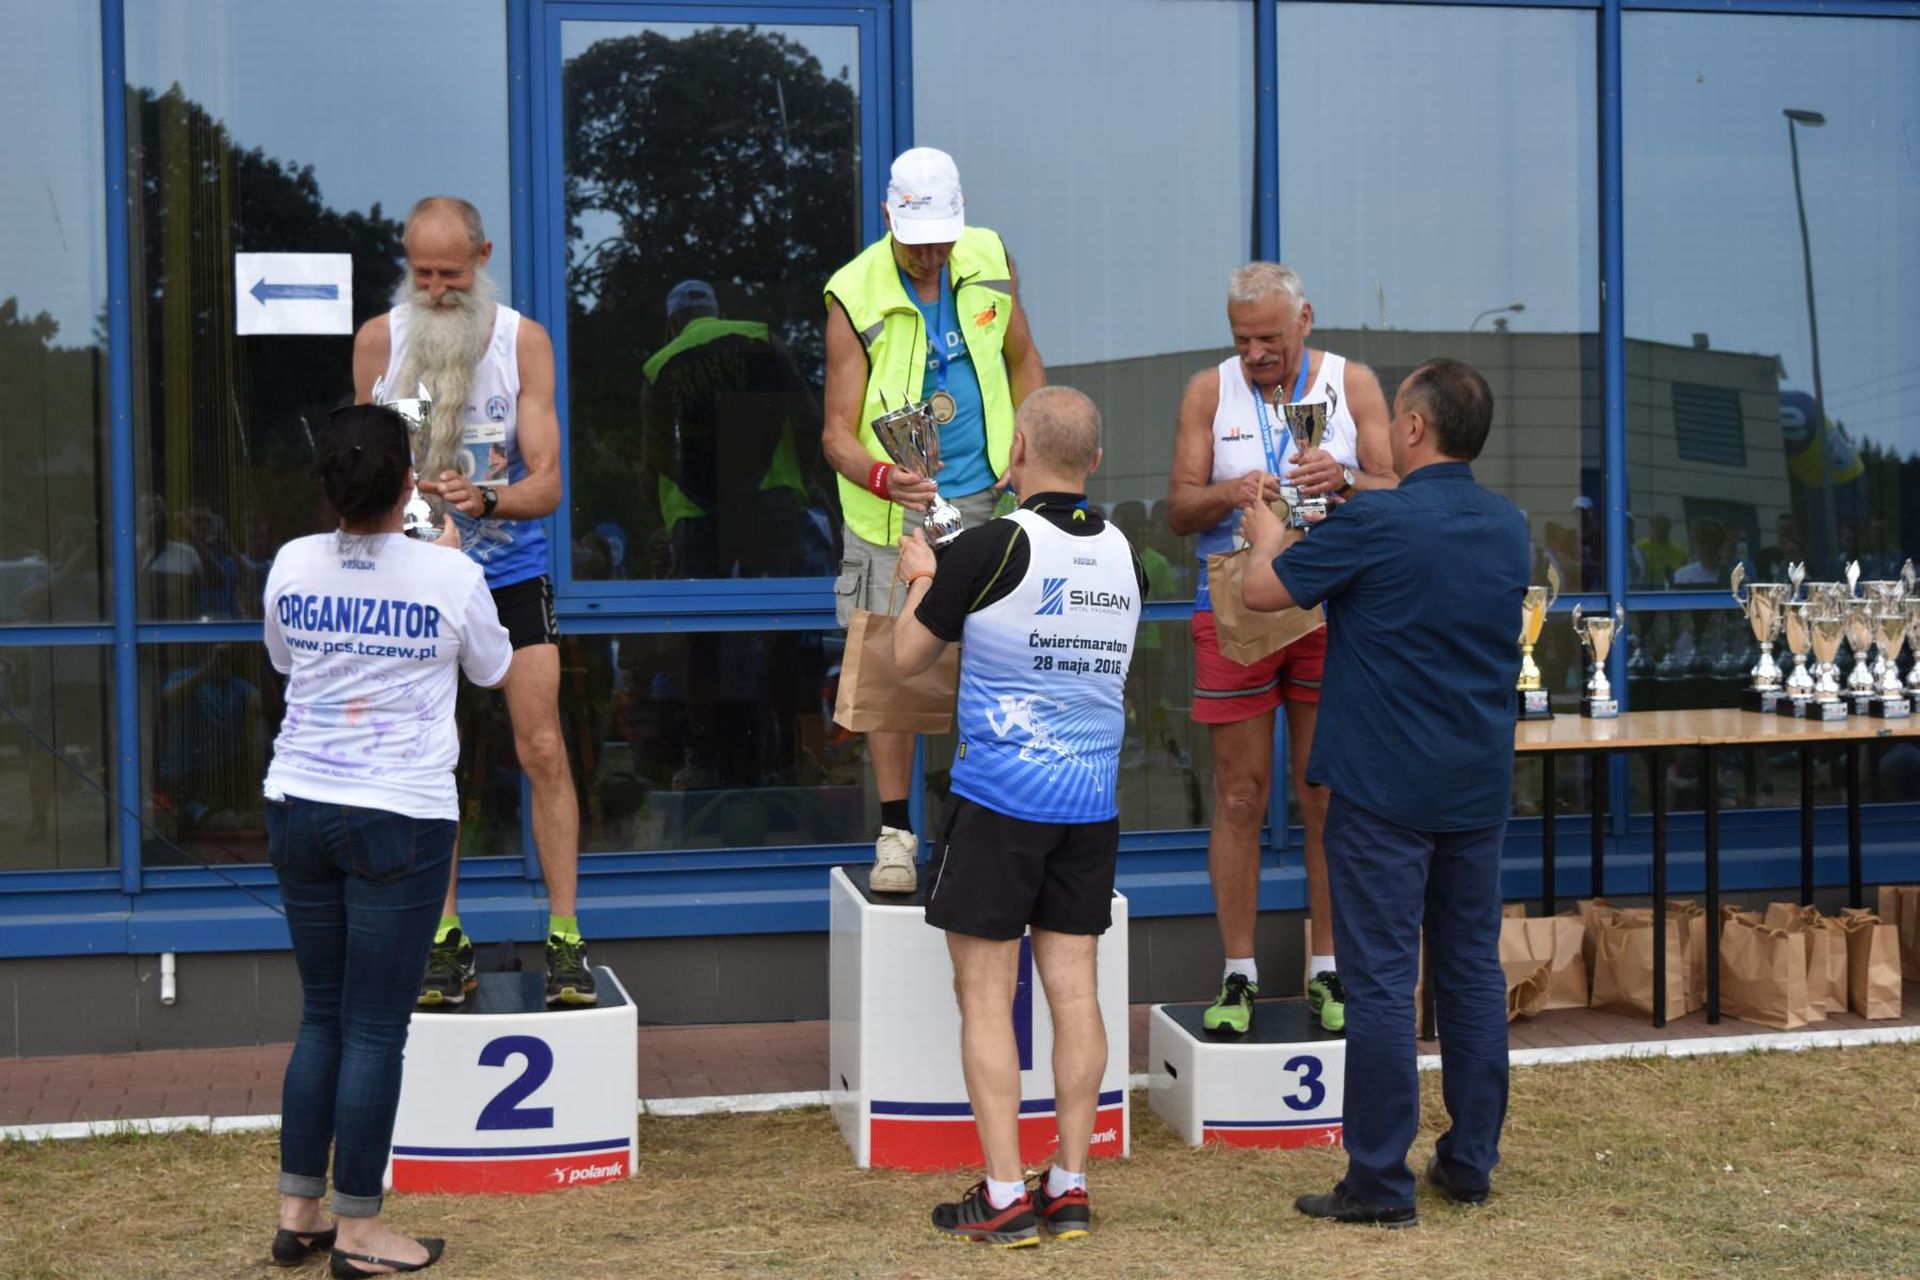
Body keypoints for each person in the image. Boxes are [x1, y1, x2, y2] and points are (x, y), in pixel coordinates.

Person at [1239, 358, 1529, 1227]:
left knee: (1380, 985)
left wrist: (1267, 530)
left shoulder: (1382, 521)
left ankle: (1378, 1182)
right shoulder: (1508, 524)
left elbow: (1262, 591)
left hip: (1382, 792)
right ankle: (1469, 1163)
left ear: (1413, 428)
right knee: (1471, 973)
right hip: (1474, 787)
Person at [261, 404, 511, 1275]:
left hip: (298, 802)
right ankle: (361, 1232)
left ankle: (300, 1213)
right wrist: (449, 558)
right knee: (373, 1030)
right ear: (409, 483)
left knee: (322, 1016)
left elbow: (285, 660)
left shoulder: (292, 562)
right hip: (397, 816)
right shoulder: (450, 573)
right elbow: (494, 669)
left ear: (327, 485)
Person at [891, 386, 1143, 1246]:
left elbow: (907, 656)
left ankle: (1004, 1194)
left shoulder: (990, 545)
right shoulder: (1126, 552)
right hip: (1091, 802)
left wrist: (921, 578)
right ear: (1095, 462)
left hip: (1000, 800)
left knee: (986, 997)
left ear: (1017, 452)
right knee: (1075, 992)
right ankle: (1069, 1186)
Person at [353, 196, 596, 1007]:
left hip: (511, 571)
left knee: (542, 747)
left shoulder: (522, 341)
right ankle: (444, 937)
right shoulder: (379, 340)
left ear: (483, 258)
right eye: (421, 273)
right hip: (417, 578)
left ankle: (565, 936)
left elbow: (548, 484)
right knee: (431, 758)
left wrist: (487, 499)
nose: (435, 290)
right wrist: (414, 513)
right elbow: (364, 473)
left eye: (451, 275)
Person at [1164, 262, 1393, 1036]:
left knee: (1324, 794)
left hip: (1332, 607)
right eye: (1242, 339)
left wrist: (1345, 479)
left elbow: (1401, 487)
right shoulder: (1209, 390)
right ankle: (1238, 974)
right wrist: (1230, 493)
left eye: (1268, 338)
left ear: (1305, 319)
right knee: (1239, 796)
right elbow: (1177, 507)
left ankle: (1328, 968)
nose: (1255, 353)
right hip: (1235, 606)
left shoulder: (1351, 383)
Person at [822, 147, 1045, 893]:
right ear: (888, 218)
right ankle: (896, 835)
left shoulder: (988, 257)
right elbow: (836, 434)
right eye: (917, 243)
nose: (931, 256)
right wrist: (888, 480)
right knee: (892, 669)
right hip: (892, 514)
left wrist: (1028, 444)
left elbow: (1024, 359)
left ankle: (980, 824)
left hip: (989, 498)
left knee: (994, 662)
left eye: (942, 240)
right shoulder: (852, 292)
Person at [1637, 512, 1686, 587]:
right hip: (1647, 590)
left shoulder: (1680, 552)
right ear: (1651, 525)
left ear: (1670, 527)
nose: (1661, 527)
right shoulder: (1640, 546)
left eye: (1665, 524)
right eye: (1657, 523)